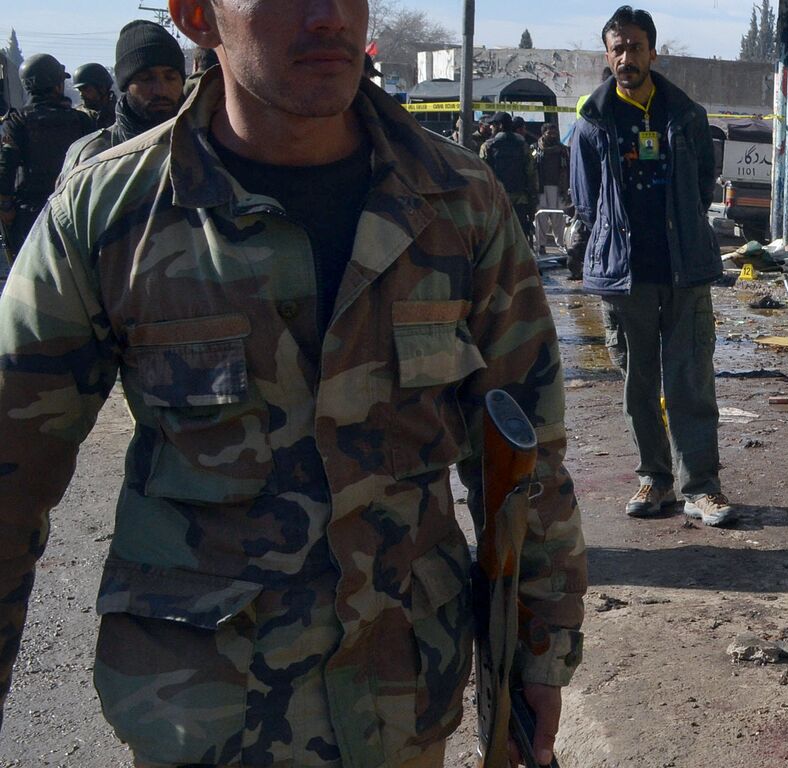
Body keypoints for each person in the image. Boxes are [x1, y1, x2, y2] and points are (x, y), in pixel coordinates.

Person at [0, 0, 587, 764]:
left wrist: (534, 658)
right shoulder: (109, 213)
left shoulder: (460, 203)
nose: (327, 17)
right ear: (195, 15)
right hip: (204, 716)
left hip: (401, 701)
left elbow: (526, 453)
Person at [571, 5, 735, 526]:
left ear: (653, 52)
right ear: (608, 55)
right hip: (626, 276)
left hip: (683, 268)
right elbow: (586, 200)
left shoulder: (685, 115)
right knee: (637, 383)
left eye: (635, 47)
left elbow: (703, 183)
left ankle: (702, 488)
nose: (626, 58)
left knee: (689, 379)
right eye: (617, 49)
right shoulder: (593, 122)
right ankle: (655, 480)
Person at [0, 54, 97, 264]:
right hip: (73, 212)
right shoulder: (81, 121)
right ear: (57, 86)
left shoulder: (17, 121)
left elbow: (6, 164)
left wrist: (5, 205)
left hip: (29, 216)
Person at [62, 20, 188, 171]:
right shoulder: (91, 157)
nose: (161, 90)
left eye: (170, 77)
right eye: (146, 79)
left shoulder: (209, 145)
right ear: (126, 84)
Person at [481, 111, 537, 239]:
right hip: (520, 197)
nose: (490, 127)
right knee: (520, 235)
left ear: (499, 125)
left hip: (496, 199)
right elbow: (531, 173)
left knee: (497, 237)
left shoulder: (487, 146)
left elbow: (484, 175)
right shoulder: (523, 145)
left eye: (493, 125)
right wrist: (532, 199)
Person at [535, 121, 569, 211]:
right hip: (541, 188)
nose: (553, 135)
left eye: (554, 133)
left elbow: (567, 168)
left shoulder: (562, 149)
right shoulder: (535, 148)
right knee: (542, 218)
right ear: (543, 134)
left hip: (557, 187)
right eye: (549, 133)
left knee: (557, 217)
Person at [72, 63, 117, 130]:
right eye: (80, 90)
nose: (81, 94)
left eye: (86, 89)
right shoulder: (77, 117)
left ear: (102, 88)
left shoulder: (121, 113)